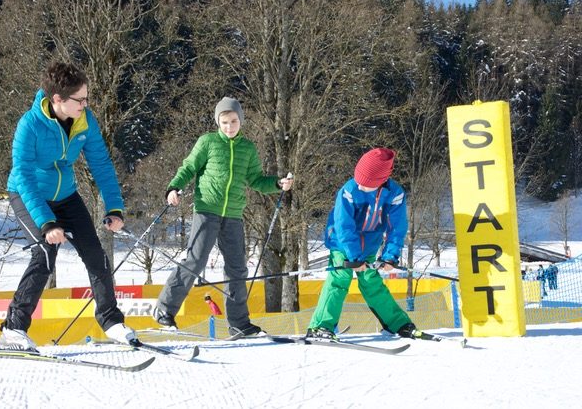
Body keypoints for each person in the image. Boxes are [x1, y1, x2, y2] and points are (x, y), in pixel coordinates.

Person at [0, 62, 135, 351]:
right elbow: (22, 175)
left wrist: (114, 207)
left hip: (67, 195)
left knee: (95, 254)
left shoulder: (85, 120)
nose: (85, 105)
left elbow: (101, 163)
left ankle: (111, 321)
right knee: (45, 254)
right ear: (58, 99)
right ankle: (13, 328)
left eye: (86, 98)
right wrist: (47, 222)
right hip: (28, 194)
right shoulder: (30, 125)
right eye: (80, 100)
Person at [155, 96, 294, 337]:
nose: (229, 126)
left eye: (233, 121)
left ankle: (239, 323)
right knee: (195, 261)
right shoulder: (207, 142)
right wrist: (173, 188)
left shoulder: (247, 148)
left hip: (233, 215)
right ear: (217, 122)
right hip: (207, 210)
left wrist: (277, 183)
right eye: (224, 122)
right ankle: (164, 310)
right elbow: (188, 167)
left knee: (237, 269)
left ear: (240, 120)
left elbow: (256, 180)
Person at [307, 148, 418, 341]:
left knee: (370, 281)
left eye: (367, 184)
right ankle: (320, 326)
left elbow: (397, 228)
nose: (361, 186)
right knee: (339, 278)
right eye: (359, 180)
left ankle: (398, 324)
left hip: (370, 245)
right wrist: (354, 257)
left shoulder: (395, 195)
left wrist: (390, 256)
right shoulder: (349, 191)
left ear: (381, 179)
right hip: (343, 243)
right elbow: (344, 226)